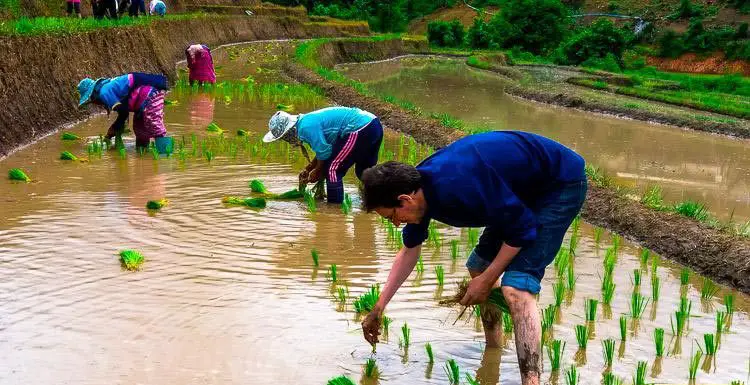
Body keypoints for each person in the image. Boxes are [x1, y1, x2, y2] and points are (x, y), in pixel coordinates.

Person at [359, 131, 587, 385]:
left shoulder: (458, 185)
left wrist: (489, 281)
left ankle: (531, 381)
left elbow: (522, 229)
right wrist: (378, 308)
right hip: (517, 190)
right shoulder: (418, 191)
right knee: (478, 266)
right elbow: (410, 250)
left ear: (405, 200)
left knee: (516, 288)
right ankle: (494, 352)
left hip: (558, 183)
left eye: (392, 216)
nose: (396, 223)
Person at [263, 107, 383, 204]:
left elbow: (324, 152)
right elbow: (325, 149)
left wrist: (318, 170)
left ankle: (334, 209)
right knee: (364, 171)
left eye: (284, 137)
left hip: (360, 128)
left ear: (288, 131)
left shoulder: (305, 127)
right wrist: (309, 168)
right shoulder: (306, 121)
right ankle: (378, 200)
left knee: (333, 170)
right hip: (373, 124)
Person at [77, 72, 170, 150]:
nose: (95, 104)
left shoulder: (104, 93)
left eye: (91, 101)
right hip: (140, 100)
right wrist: (115, 127)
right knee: (139, 128)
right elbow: (123, 111)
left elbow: (123, 112)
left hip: (150, 92)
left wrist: (114, 128)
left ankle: (165, 155)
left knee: (153, 122)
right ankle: (143, 152)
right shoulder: (108, 87)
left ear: (93, 95)